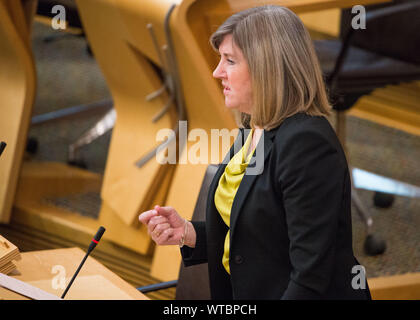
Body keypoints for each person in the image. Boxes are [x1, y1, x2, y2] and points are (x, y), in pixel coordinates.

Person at [139, 5, 371, 300]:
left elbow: (310, 278)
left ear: (268, 69)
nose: (217, 72)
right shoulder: (254, 126)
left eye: (230, 61)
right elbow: (256, 236)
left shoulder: (307, 145)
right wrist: (187, 232)